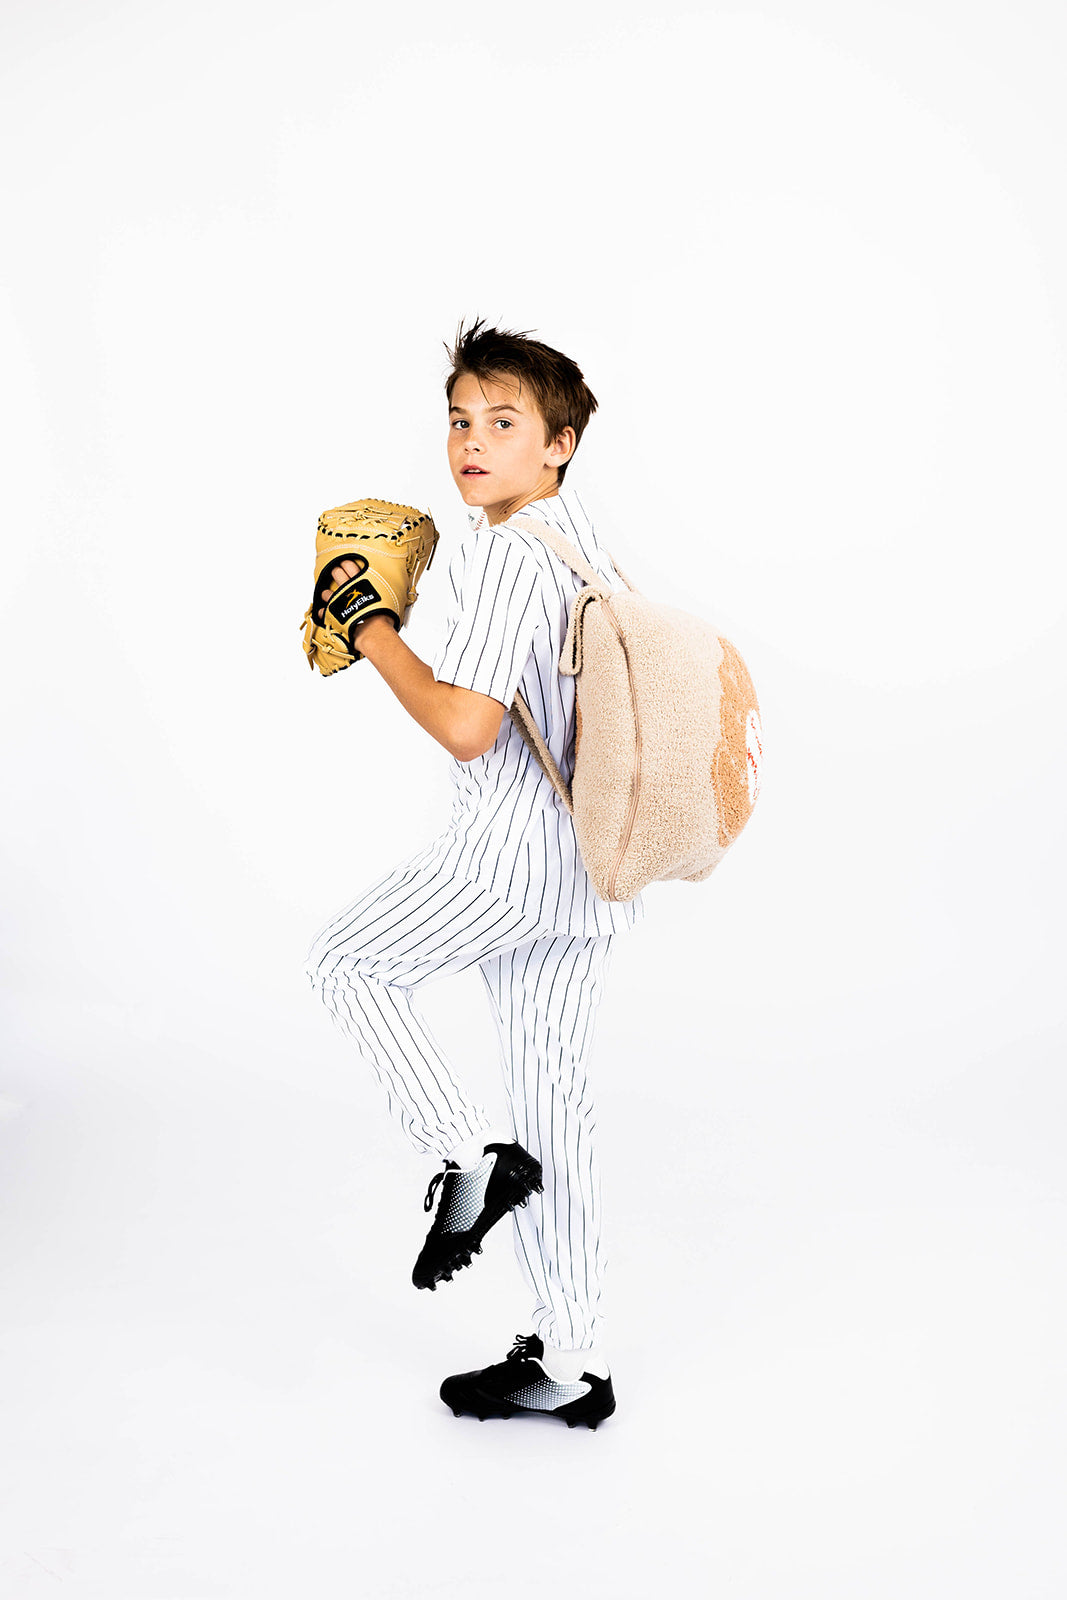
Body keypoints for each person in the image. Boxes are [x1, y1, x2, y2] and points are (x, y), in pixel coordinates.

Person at [304, 318, 645, 1429]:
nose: (471, 441)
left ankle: (462, 1164)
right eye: (459, 419)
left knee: (347, 962)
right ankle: (572, 1358)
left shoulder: (507, 549)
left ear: (560, 442)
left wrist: (371, 629)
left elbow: (464, 726)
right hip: (590, 866)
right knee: (554, 1107)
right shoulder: (576, 535)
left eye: (503, 422)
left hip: (506, 861)